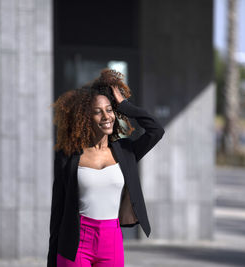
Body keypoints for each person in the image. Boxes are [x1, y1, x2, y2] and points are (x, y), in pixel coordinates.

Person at [47, 69, 165, 267]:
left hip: (111, 241)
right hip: (76, 241)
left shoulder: (126, 151)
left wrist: (125, 105)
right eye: (97, 111)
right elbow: (57, 211)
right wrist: (52, 260)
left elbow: (156, 130)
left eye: (109, 110)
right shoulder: (68, 156)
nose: (106, 116)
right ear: (85, 118)